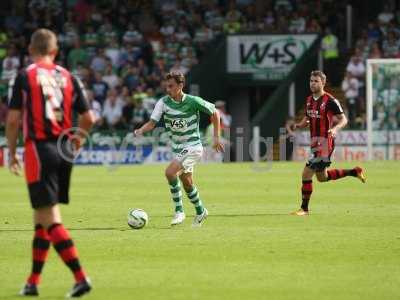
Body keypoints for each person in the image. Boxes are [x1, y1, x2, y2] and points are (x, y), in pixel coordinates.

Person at [6, 28, 95, 297]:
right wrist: (76, 143)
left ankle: (80, 278)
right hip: (63, 148)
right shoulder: (69, 77)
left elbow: (12, 120)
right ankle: (33, 282)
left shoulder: (25, 76)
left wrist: (11, 153)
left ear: (31, 51)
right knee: (41, 218)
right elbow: (89, 118)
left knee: (49, 217)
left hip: (39, 149)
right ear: (55, 52)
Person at [134, 72, 223, 226]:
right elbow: (152, 123)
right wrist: (140, 130)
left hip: (193, 146)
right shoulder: (163, 103)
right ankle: (201, 211)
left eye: (171, 86)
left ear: (180, 86)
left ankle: (179, 211)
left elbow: (215, 113)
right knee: (187, 183)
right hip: (178, 148)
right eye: (166, 86)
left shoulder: (193, 101)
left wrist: (216, 137)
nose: (168, 89)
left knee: (169, 172)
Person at [290, 70, 366, 216]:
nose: (312, 83)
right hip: (314, 143)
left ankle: (304, 209)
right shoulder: (309, 100)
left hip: (325, 143)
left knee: (306, 174)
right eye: (311, 81)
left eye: (315, 81)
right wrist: (300, 125)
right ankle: (354, 171)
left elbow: (344, 119)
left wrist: (336, 129)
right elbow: (308, 118)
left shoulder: (330, 100)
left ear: (323, 83)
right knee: (322, 178)